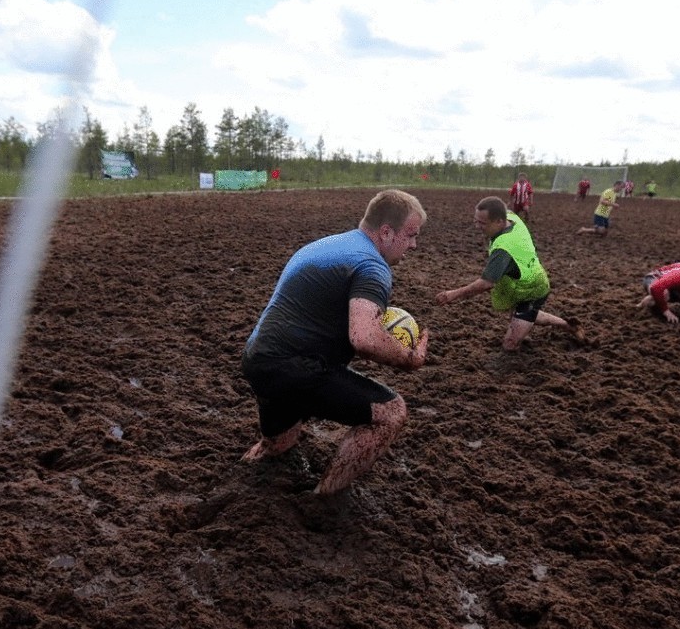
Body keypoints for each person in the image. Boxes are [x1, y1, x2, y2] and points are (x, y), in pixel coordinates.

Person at [241, 189, 430, 496]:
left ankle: (245, 480)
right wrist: (409, 359)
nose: (413, 244)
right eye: (410, 235)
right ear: (386, 232)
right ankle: (324, 498)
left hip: (259, 359)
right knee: (391, 412)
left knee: (279, 445)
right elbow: (365, 338)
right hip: (294, 366)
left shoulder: (328, 245)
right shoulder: (372, 265)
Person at [435, 196, 584, 351]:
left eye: (482, 223)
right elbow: (507, 209)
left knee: (509, 345)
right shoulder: (512, 218)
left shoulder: (503, 249)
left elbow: (486, 283)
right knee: (524, 313)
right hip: (523, 284)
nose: (477, 226)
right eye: (475, 221)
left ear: (499, 221)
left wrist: (453, 294)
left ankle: (555, 324)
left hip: (533, 290)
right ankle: (569, 326)